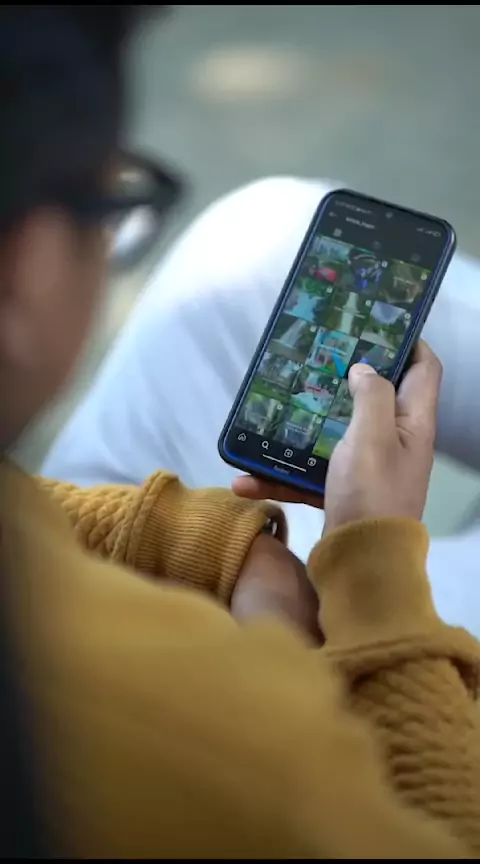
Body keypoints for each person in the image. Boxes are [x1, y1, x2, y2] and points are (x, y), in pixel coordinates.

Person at [2, 5, 480, 858]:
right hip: (317, 697)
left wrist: (227, 548)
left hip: (136, 584)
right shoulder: (230, 740)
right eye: (114, 206)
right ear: (23, 265)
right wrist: (374, 554)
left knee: (262, 234)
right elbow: (438, 832)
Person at [44, 176, 480, 638]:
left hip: (90, 545)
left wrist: (241, 554)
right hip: (335, 637)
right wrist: (372, 548)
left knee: (259, 228)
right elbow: (390, 687)